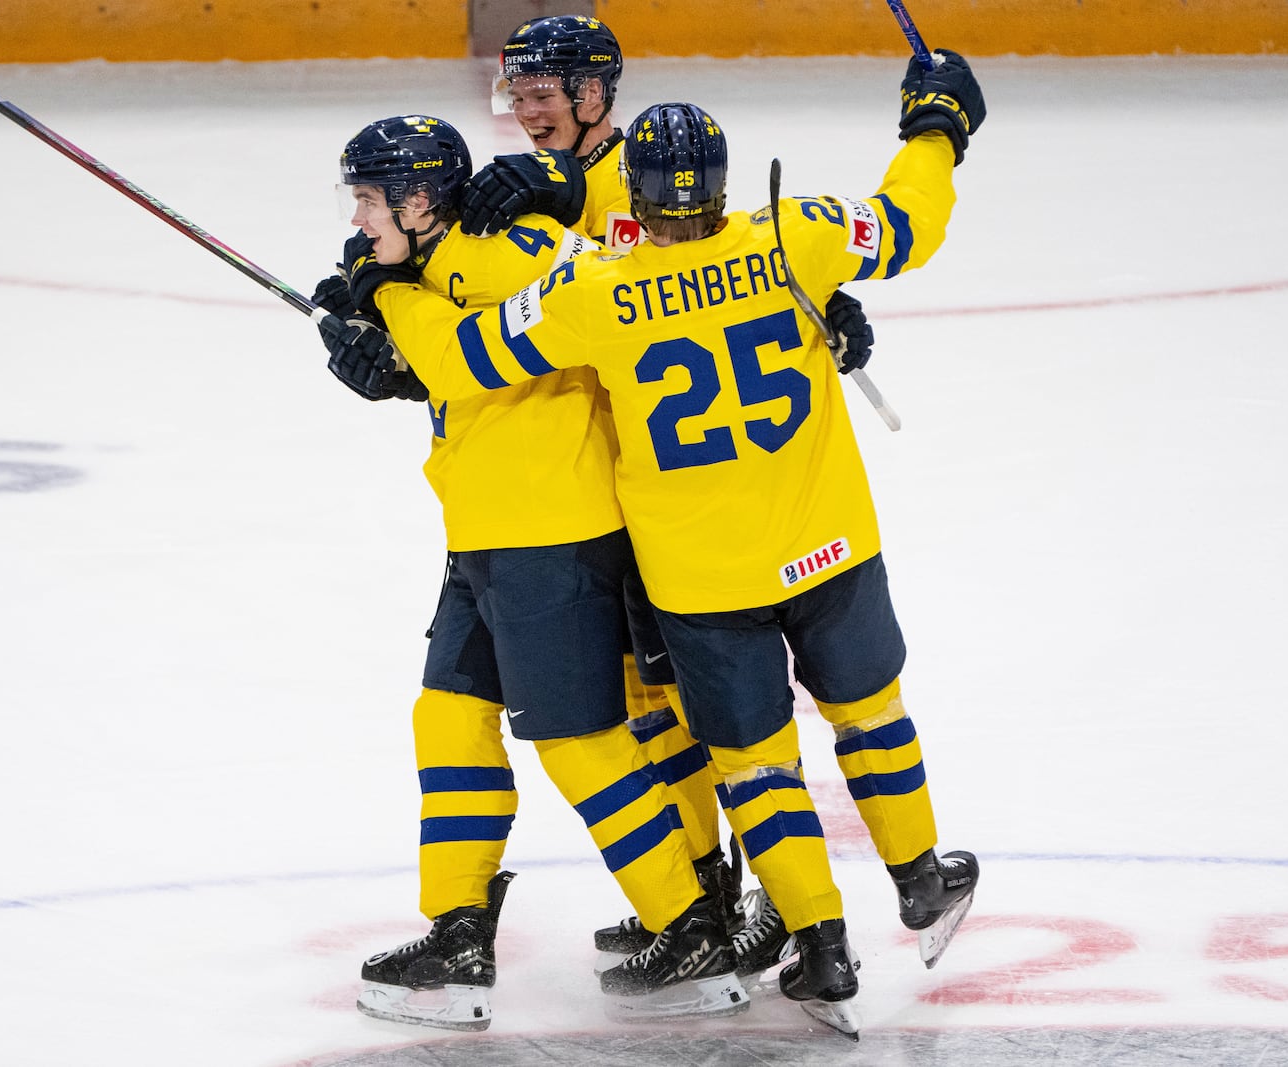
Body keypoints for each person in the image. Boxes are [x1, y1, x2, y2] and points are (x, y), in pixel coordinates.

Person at [344, 51, 989, 1038]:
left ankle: (806, 937)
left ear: (632, 195)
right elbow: (909, 220)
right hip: (826, 546)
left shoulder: (602, 286)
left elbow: (469, 353)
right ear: (725, 183)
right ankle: (909, 876)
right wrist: (936, 128)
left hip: (698, 569)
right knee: (869, 717)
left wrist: (386, 302)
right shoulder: (797, 235)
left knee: (753, 764)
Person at [315, 114, 748, 1031]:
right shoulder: (435, 261)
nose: (356, 220)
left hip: (552, 538)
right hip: (485, 536)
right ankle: (459, 930)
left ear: (419, 200)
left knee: (581, 740)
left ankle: (690, 921)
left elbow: (559, 311)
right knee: (450, 715)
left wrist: (391, 310)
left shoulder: (519, 250)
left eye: (366, 201)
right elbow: (451, 365)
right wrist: (383, 343)